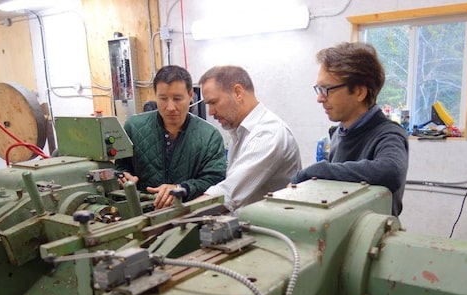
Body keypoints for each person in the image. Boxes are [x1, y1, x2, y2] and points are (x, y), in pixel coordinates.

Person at [290, 42, 409, 216]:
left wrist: (316, 171)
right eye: (319, 89)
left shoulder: (388, 134)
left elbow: (391, 171)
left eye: (327, 89)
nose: (320, 98)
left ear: (359, 92)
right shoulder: (339, 133)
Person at [116, 65, 226, 209]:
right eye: (163, 99)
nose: (170, 107)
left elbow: (215, 180)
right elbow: (120, 166)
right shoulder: (133, 127)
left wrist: (181, 189)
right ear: (155, 95)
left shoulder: (209, 136)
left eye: (177, 98)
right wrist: (123, 176)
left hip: (187, 216)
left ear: (190, 95)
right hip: (140, 214)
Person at [199, 65, 302, 212]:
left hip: (269, 225)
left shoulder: (268, 134)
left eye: (214, 102)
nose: (211, 112)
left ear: (238, 92)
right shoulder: (239, 133)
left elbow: (226, 195)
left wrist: (174, 216)